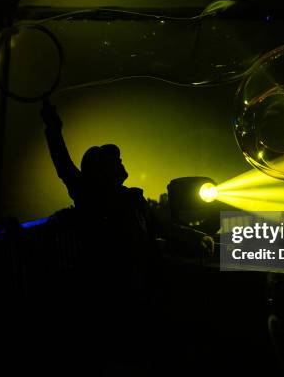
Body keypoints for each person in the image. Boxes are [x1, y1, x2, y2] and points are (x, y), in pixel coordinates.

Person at [40, 98, 213, 373]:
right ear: (101, 171)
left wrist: (195, 237)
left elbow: (162, 227)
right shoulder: (90, 195)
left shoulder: (133, 200)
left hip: (141, 286)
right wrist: (53, 127)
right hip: (110, 291)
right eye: (113, 160)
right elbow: (62, 162)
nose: (119, 162)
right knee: (122, 349)